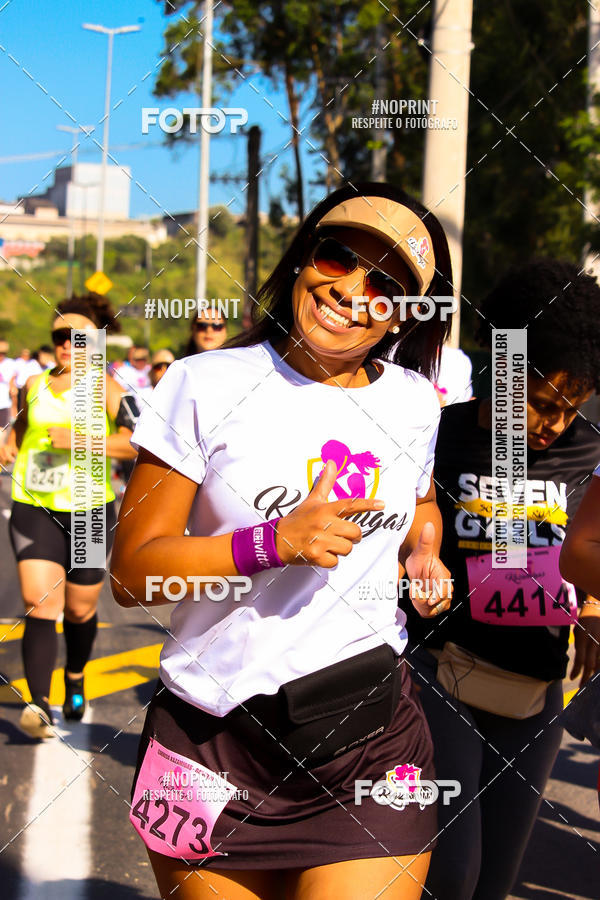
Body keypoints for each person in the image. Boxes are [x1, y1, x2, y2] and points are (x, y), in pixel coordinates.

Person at [111, 181, 455, 899]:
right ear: (304, 258)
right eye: (338, 255)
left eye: (385, 283)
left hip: (367, 738)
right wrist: (269, 544)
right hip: (207, 740)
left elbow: (421, 500)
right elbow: (133, 574)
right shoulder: (201, 382)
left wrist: (425, 548)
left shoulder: (414, 402)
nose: (352, 289)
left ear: (405, 313)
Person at [400, 258, 600, 900]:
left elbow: (591, 542)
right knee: (452, 872)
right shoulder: (438, 435)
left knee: (494, 884)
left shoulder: (586, 450)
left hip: (536, 689)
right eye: (542, 404)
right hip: (440, 668)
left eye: (571, 409)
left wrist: (593, 606)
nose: (554, 425)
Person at [0, 293, 138, 739]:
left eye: (78, 338)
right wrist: (9, 444)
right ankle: (38, 704)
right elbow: (20, 431)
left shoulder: (107, 388)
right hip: (34, 504)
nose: (67, 344)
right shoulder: (33, 385)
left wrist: (83, 440)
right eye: (60, 336)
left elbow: (139, 442)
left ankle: (75, 675)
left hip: (90, 512)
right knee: (41, 603)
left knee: (79, 610)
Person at [0, 339, 15, 432]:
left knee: (2, 432)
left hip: (4, 404)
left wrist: (14, 408)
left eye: (3, 353)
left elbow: (12, 388)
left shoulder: (10, 364)